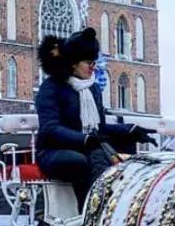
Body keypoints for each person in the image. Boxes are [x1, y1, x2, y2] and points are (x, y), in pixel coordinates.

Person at [34, 28, 153, 208]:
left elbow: (100, 127)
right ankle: (91, 209)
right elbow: (51, 129)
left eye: (94, 62)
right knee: (84, 159)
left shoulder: (93, 88)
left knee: (122, 152)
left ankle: (120, 205)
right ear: (73, 63)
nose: (94, 67)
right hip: (54, 150)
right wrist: (85, 139)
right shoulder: (51, 88)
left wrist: (131, 130)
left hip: (88, 147)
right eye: (89, 62)